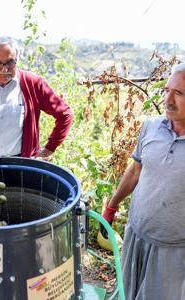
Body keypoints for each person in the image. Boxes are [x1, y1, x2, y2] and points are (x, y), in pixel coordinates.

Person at [103, 63, 185, 299]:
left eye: (179, 93)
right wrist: (112, 205)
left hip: (173, 248)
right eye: (167, 90)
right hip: (137, 234)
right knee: (129, 291)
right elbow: (136, 171)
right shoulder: (151, 127)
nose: (168, 100)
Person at [0, 36, 73, 160]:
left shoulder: (33, 83)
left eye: (10, 62)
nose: (4, 69)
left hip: (23, 164)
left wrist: (49, 149)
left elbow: (65, 114)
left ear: (17, 60)